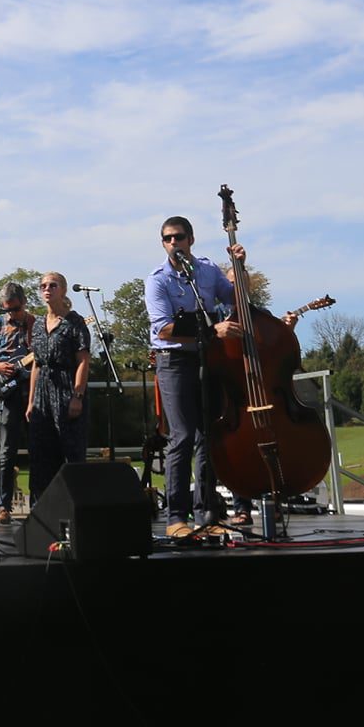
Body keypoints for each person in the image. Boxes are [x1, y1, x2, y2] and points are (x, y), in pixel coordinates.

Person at [144, 217, 240, 537]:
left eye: (179, 237)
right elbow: (164, 328)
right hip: (173, 361)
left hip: (206, 358)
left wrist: (240, 269)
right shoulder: (157, 280)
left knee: (207, 436)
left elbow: (234, 301)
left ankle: (207, 515)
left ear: (191, 239)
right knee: (182, 436)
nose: (174, 243)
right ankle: (176, 518)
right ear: (163, 244)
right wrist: (213, 329)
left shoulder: (208, 270)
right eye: (168, 239)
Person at [26, 273, 92, 505]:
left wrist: (77, 395)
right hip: (42, 391)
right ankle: (42, 510)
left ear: (63, 290)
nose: (47, 289)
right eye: (43, 286)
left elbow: (83, 360)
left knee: (70, 451)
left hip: (66, 388)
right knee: (41, 453)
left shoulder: (75, 322)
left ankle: (75, 508)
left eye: (52, 285)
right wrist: (31, 400)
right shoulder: (36, 325)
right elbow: (36, 363)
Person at [0, 282, 34, 523]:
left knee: (38, 450)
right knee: (6, 452)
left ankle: (38, 503)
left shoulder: (36, 323)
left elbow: (43, 354)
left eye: (14, 309)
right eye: (6, 309)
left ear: (23, 302)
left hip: (32, 389)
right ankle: (3, 507)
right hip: (6, 391)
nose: (10, 314)